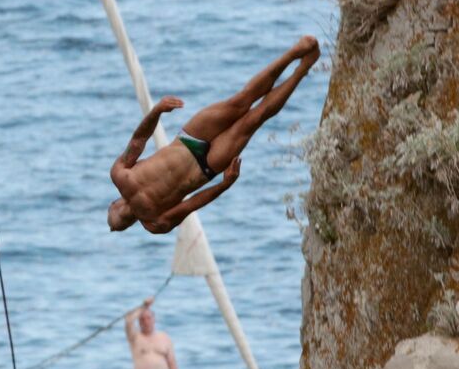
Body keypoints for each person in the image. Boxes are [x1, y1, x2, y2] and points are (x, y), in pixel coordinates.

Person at [108, 36, 321, 234]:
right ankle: (303, 68)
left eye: (116, 217)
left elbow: (139, 140)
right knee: (254, 118)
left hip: (188, 140)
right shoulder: (155, 223)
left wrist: (157, 111)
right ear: (131, 223)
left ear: (114, 203)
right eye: (123, 224)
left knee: (241, 102)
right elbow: (192, 204)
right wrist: (224, 185)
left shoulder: (120, 174)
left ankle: (294, 53)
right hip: (206, 167)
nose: (121, 218)